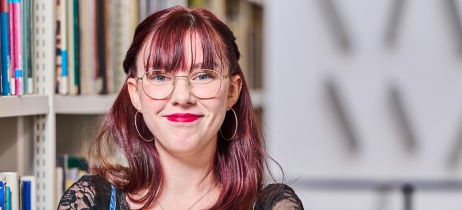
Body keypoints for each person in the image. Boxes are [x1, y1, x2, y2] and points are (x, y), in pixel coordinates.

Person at [57, 6, 302, 210]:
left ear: (232, 92)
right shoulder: (91, 201)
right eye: (161, 77)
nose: (182, 97)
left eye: (203, 76)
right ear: (135, 94)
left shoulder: (274, 205)